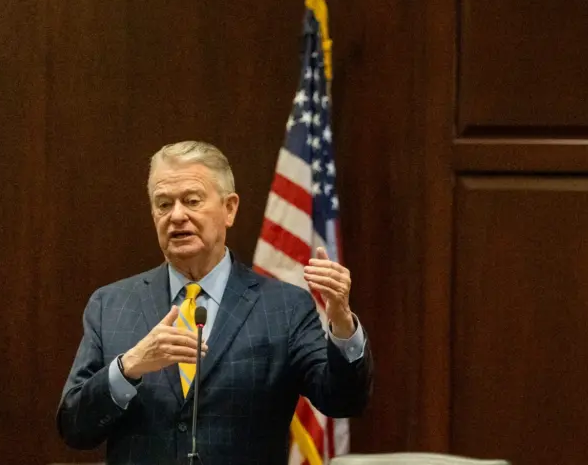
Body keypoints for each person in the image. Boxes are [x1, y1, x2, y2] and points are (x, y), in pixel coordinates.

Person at [57, 141, 372, 465]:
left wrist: (342, 323)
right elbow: (74, 428)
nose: (176, 215)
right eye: (163, 204)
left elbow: (343, 401)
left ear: (229, 209)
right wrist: (128, 367)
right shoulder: (110, 305)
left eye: (192, 201)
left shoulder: (285, 307)